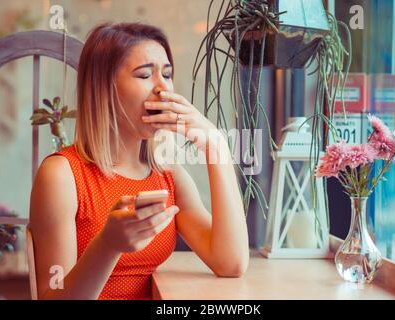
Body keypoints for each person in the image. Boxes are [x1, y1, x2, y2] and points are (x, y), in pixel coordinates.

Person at [29, 22, 249, 300]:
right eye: (145, 75)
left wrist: (216, 144)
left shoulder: (168, 175)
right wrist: (108, 245)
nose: (163, 88)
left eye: (167, 74)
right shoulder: (61, 175)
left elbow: (231, 263)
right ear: (104, 88)